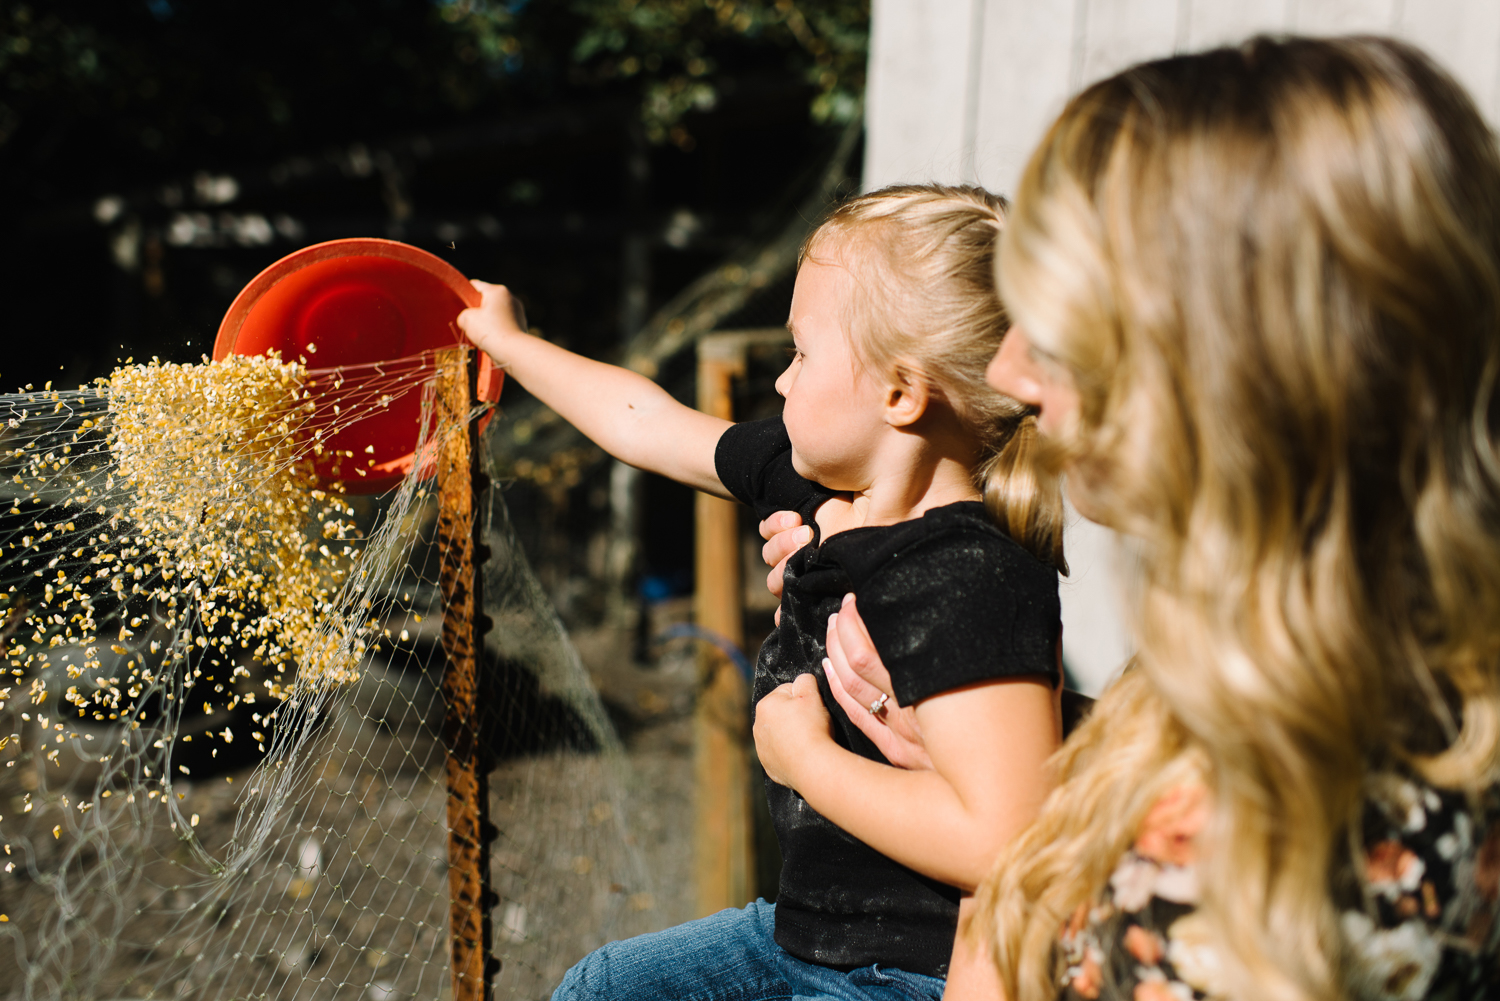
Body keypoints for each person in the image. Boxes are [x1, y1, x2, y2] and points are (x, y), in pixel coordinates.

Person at [756, 35, 1500, 1001]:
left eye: (1061, 320)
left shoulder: (1288, 855)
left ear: (1233, 350)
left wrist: (1010, 890)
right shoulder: (1297, 676)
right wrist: (1054, 768)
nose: (1015, 373)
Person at [458, 184, 1067, 1000]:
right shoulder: (819, 492)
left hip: (912, 974)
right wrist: (508, 343)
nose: (781, 383)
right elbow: (646, 422)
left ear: (900, 393)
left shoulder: (967, 572)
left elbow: (1008, 840)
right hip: (805, 934)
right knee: (602, 987)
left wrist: (806, 761)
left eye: (803, 354)